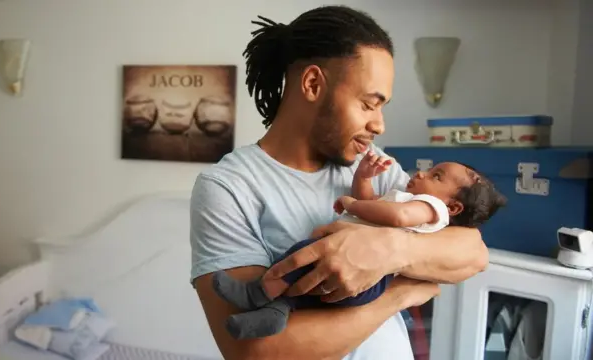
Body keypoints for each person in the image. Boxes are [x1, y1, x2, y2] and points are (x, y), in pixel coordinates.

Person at [189, 5, 489, 360]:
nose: (379, 125)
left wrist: (386, 252)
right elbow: (256, 352)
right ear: (313, 84)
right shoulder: (228, 188)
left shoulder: (372, 163)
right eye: (368, 104)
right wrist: (400, 294)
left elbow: (473, 253)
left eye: (382, 108)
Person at [210, 152, 507, 340]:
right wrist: (363, 179)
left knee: (302, 256)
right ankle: (276, 311)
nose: (420, 174)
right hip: (351, 274)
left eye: (436, 176)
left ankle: (258, 292)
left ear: (453, 207)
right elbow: (375, 204)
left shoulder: (429, 208)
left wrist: (353, 205)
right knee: (306, 279)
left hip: (368, 282)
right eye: (367, 104)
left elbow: (396, 215)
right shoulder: (408, 195)